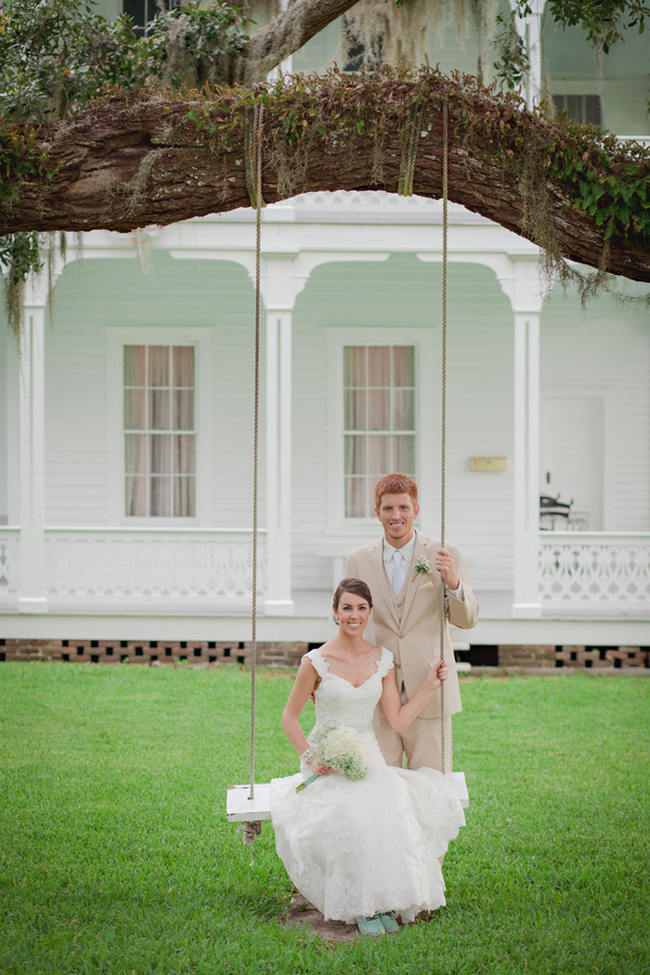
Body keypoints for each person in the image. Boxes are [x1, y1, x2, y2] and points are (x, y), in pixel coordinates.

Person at [269, 579, 465, 933]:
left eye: (361, 608)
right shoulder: (315, 662)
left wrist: (429, 687)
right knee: (350, 818)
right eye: (347, 608)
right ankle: (360, 906)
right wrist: (313, 757)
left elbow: (398, 719)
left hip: (369, 759)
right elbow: (289, 719)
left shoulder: (381, 660)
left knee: (390, 814)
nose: (354, 615)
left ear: (369, 613)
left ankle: (381, 902)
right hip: (328, 760)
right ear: (335, 613)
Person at [344, 473, 478, 772]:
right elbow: (349, 625)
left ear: (416, 510)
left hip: (431, 688)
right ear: (376, 511)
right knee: (379, 787)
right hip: (377, 693)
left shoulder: (446, 554)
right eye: (388, 508)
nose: (396, 516)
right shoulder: (357, 561)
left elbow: (467, 620)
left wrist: (453, 582)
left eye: (404, 508)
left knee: (431, 789)